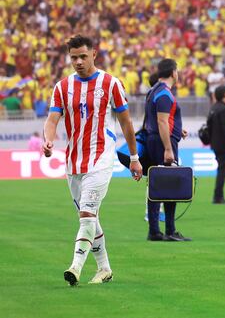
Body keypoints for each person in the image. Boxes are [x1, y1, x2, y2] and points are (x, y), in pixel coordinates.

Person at [43, 34, 142, 285]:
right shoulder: (62, 87)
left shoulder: (110, 84)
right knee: (90, 217)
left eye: (83, 56)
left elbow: (126, 122)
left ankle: (75, 267)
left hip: (101, 158)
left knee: (87, 214)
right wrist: (48, 139)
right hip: (73, 161)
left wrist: (133, 157)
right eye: (73, 57)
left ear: (94, 54)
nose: (78, 62)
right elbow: (53, 119)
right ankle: (104, 268)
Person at [144, 58, 191, 242]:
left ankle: (155, 230)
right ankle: (169, 230)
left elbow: (160, 120)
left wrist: (179, 130)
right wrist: (168, 148)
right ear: (173, 73)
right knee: (169, 185)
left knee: (157, 184)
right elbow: (162, 121)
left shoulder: (153, 90)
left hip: (155, 140)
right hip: (162, 143)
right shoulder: (164, 93)